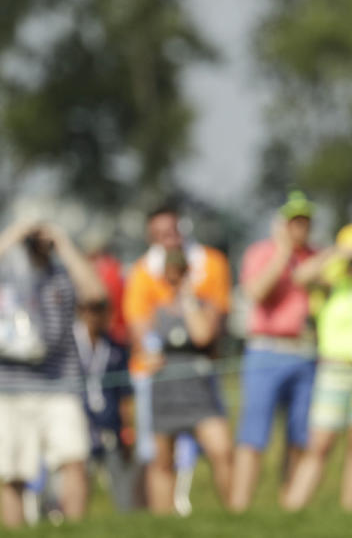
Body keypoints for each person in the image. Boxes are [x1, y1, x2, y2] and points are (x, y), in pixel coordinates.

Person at [123, 203, 231, 515]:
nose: (168, 240)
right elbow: (141, 333)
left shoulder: (211, 263)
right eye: (159, 235)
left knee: (220, 450)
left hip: (199, 380)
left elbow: (204, 335)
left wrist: (185, 293)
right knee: (160, 459)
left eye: (171, 232)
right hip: (160, 384)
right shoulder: (141, 273)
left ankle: (235, 520)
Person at [0, 219, 106, 528]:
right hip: (9, 389)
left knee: (74, 458)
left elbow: (96, 295)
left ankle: (74, 531)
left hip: (60, 384)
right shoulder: (6, 274)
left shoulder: (62, 275)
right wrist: (16, 232)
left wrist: (62, 240)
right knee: (11, 473)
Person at [282, 223, 352, 511]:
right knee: (320, 445)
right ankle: (294, 507)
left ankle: (350, 512)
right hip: (334, 371)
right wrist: (338, 253)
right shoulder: (331, 283)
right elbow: (301, 276)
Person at [229, 191, 319, 511]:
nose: (301, 228)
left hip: (306, 353)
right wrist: (282, 254)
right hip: (266, 351)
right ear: (282, 224)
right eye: (295, 221)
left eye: (305, 221)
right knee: (253, 435)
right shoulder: (261, 252)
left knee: (298, 438)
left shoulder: (316, 256)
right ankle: (239, 508)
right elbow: (256, 292)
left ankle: (288, 510)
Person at [74, 296, 137, 512]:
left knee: (123, 491)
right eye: (89, 309)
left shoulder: (115, 348)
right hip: (79, 425)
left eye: (99, 310)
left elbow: (125, 395)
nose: (94, 316)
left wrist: (128, 430)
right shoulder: (70, 347)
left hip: (110, 426)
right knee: (75, 484)